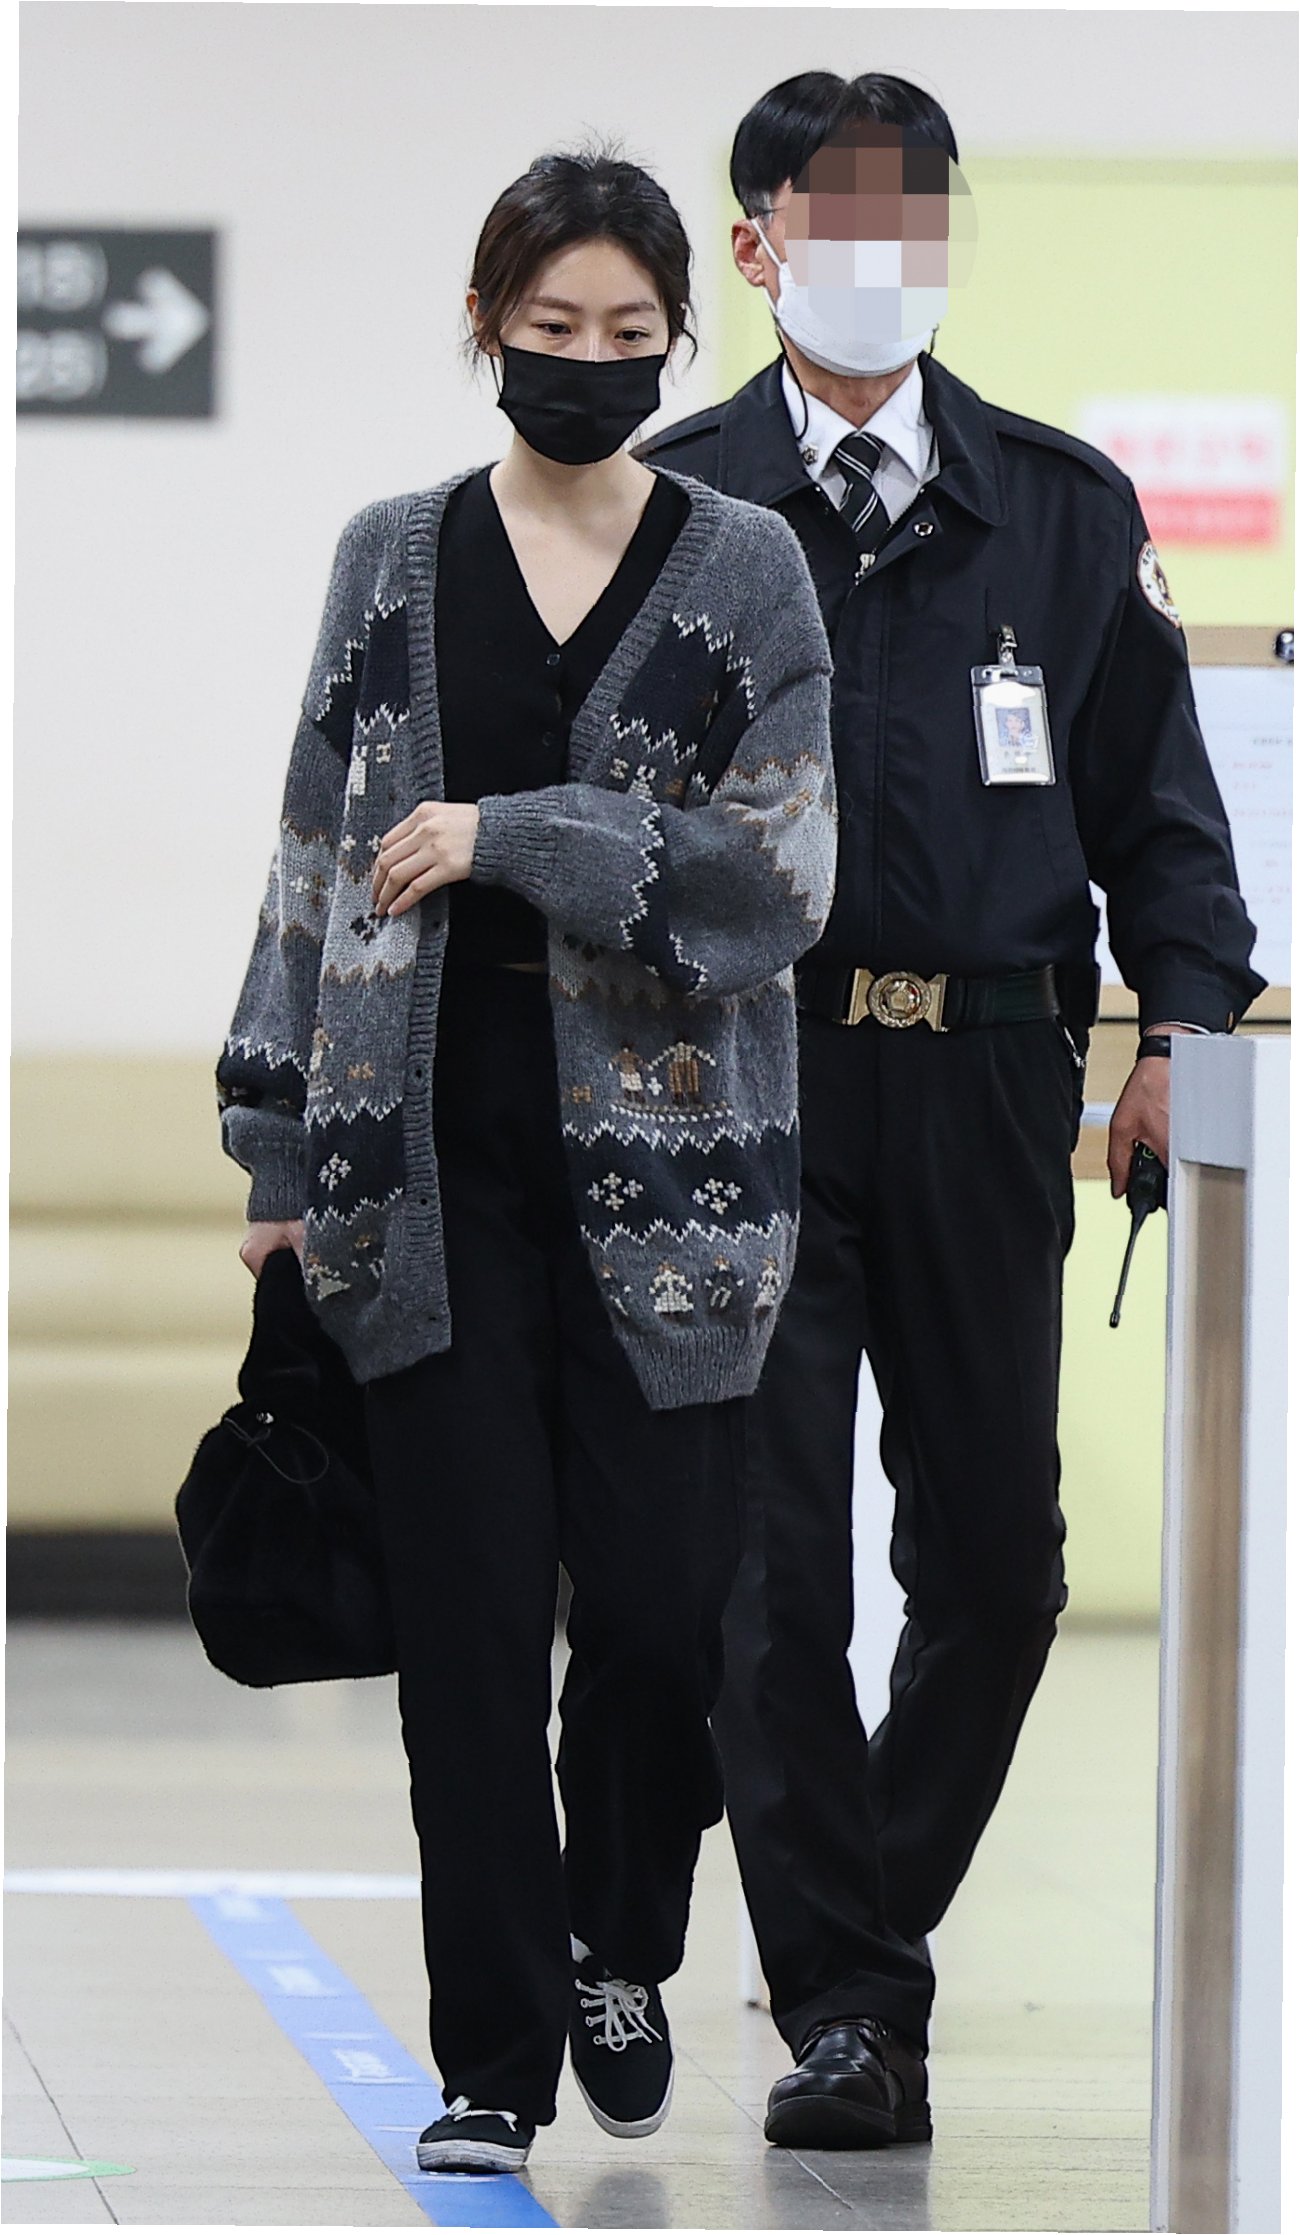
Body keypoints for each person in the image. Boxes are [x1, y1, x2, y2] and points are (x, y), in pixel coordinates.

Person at [641, 73, 1265, 2150]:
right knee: (771, 1571)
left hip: (993, 1077)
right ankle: (847, 2006)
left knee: (998, 1562)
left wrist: (1180, 1030)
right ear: (755, 244)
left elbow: (1165, 828)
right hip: (746, 1080)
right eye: (835, 216)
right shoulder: (678, 507)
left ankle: (852, 1930)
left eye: (912, 212)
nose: (879, 253)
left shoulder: (1061, 511)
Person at [215, 147, 836, 2175]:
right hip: (420, 1171)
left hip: (681, 1189)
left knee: (656, 1615)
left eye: (626, 331)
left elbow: (780, 876)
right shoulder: (390, 558)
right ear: (483, 327)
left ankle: (618, 1943)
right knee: (472, 1632)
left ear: (679, 337)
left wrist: (517, 837)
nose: (586, 359)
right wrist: (272, 1146)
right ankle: (489, 2049)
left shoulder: (745, 567)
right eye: (549, 325)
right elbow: (313, 849)